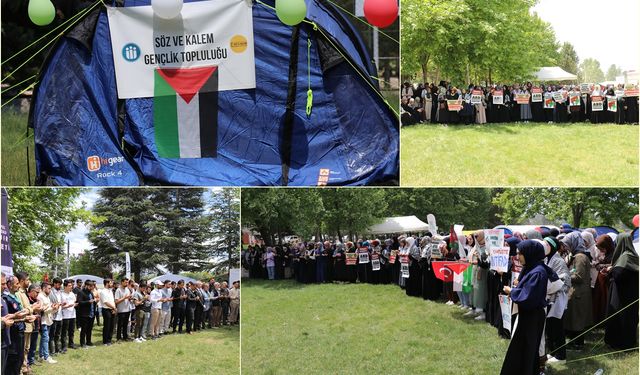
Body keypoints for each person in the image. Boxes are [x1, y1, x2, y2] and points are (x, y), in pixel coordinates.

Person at [500, 240, 552, 375]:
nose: (518, 257)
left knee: (527, 349)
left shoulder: (537, 272)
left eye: (520, 254)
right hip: (528, 315)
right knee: (523, 348)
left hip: (532, 316)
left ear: (530, 254)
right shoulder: (531, 268)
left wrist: (511, 292)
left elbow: (528, 297)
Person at [604, 231, 639, 349]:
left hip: (621, 294)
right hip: (631, 293)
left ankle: (619, 343)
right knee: (629, 318)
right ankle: (628, 342)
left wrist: (610, 270)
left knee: (620, 317)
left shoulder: (626, 256)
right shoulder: (633, 255)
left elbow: (619, 275)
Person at [543, 236, 571, 365]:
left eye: (547, 245)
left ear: (553, 247)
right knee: (549, 327)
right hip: (548, 298)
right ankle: (552, 351)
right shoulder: (546, 259)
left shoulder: (558, 261)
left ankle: (561, 356)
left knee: (557, 327)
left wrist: (551, 283)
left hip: (557, 299)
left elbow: (565, 281)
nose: (545, 247)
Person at [563, 231, 593, 349]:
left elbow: (579, 276)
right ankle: (575, 342)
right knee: (575, 318)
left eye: (567, 244)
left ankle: (578, 344)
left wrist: (565, 276)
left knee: (578, 319)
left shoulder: (580, 257)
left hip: (579, 293)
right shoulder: (577, 255)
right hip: (577, 292)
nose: (566, 247)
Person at [37, 281, 58, 364]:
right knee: (46, 339)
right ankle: (46, 356)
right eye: (49, 288)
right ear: (44, 288)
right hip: (43, 321)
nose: (50, 290)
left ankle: (41, 355)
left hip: (48, 320)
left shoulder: (47, 297)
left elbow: (49, 310)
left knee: (44, 339)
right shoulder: (40, 297)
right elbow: (42, 311)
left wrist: (55, 308)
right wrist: (52, 308)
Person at [76, 280, 96, 348]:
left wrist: (95, 301)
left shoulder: (91, 292)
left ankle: (88, 342)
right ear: (86, 285)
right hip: (84, 314)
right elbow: (79, 302)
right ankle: (82, 343)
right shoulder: (81, 292)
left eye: (92, 286)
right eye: (90, 286)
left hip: (91, 313)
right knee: (84, 329)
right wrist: (88, 302)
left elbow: (92, 301)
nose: (91, 288)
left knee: (89, 329)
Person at [60, 279, 77, 353]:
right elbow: (60, 306)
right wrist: (67, 306)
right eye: (69, 285)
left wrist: (74, 305)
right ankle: (64, 346)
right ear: (65, 286)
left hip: (72, 315)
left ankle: (71, 343)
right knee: (64, 332)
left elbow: (74, 301)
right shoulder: (61, 294)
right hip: (65, 315)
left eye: (71, 285)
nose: (71, 287)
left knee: (72, 330)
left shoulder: (72, 294)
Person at [49, 278, 63, 356]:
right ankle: (52, 350)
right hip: (53, 316)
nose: (59, 286)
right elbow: (50, 303)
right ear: (54, 284)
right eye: (58, 284)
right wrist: (56, 305)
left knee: (58, 334)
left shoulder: (60, 292)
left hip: (60, 315)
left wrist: (62, 304)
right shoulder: (51, 292)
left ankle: (57, 349)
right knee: (52, 335)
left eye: (60, 284)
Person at [99, 279, 116, 346]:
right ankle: (105, 341)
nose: (112, 284)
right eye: (111, 283)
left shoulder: (110, 291)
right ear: (107, 283)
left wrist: (114, 308)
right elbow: (106, 302)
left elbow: (112, 300)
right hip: (106, 310)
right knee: (107, 326)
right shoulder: (103, 292)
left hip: (112, 309)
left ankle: (109, 340)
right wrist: (114, 307)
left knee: (111, 326)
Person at [114, 278, 131, 342]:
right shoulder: (118, 290)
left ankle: (125, 337)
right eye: (125, 282)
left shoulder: (127, 289)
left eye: (127, 282)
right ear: (122, 282)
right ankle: (118, 338)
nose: (127, 283)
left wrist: (130, 298)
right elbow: (116, 301)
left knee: (125, 325)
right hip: (121, 310)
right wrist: (124, 298)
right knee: (120, 325)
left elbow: (128, 298)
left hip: (127, 310)